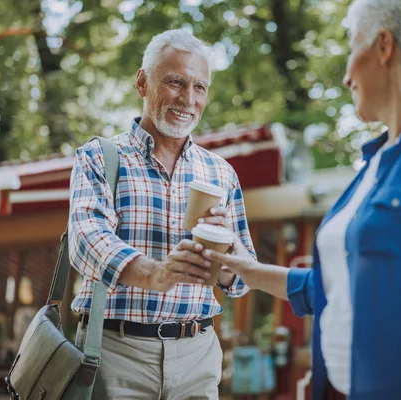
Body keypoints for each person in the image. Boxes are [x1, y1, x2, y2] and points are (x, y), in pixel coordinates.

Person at [204, 0, 401, 399]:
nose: (347, 76)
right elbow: (340, 288)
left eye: (353, 48)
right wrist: (245, 268)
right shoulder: (372, 167)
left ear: (384, 46)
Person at [68, 29, 255, 399]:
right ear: (142, 82)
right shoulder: (101, 157)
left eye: (199, 87)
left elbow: (241, 278)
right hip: (114, 352)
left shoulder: (220, 173)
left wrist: (228, 250)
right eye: (175, 82)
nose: (188, 99)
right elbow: (86, 241)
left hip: (197, 353)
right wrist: (155, 273)